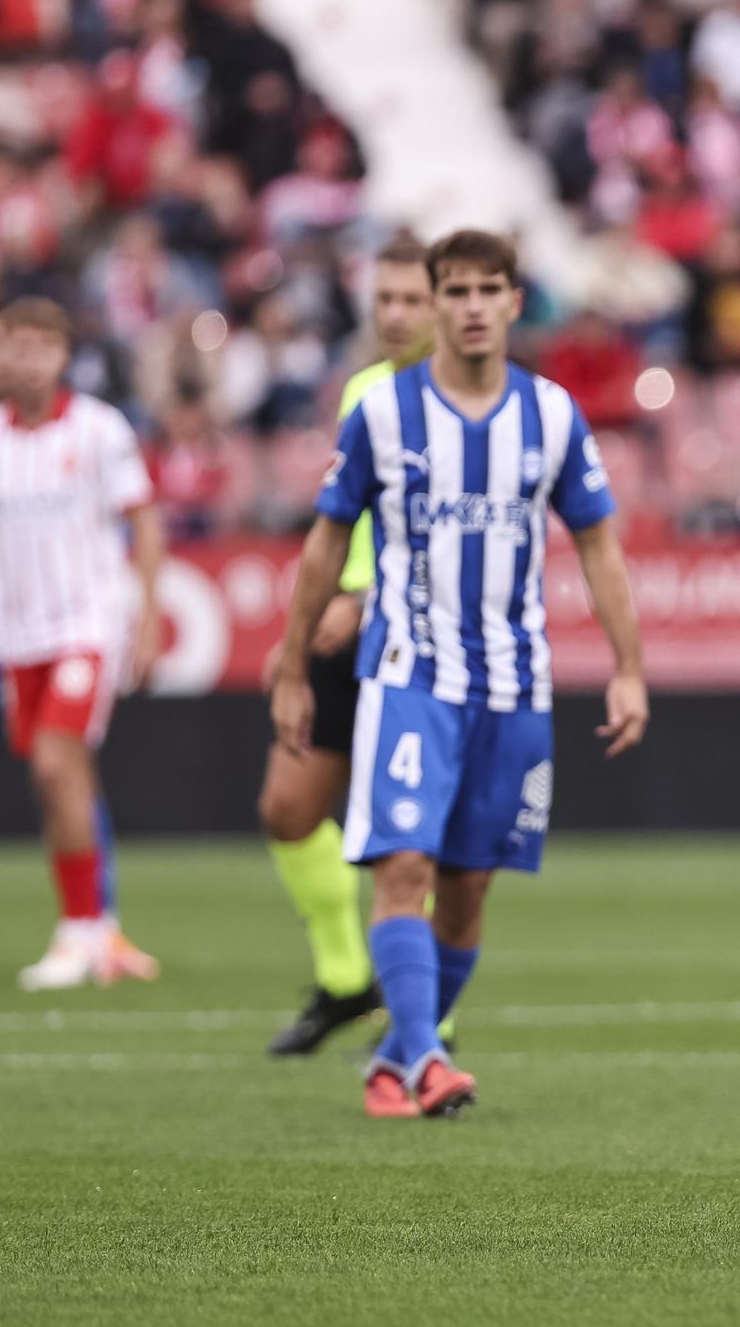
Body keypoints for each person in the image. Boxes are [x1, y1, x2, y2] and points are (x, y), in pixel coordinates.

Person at [271, 229, 648, 1118]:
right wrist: (292, 666)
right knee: (404, 863)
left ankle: (395, 1059)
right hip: (409, 674)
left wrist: (629, 667)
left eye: (489, 290)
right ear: (436, 302)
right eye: (458, 290)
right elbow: (325, 542)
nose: (473, 306)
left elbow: (598, 543)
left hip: (515, 687)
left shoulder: (550, 415)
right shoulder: (384, 413)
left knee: (469, 887)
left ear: (515, 302)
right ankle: (431, 1061)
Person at [0, 298, 165, 991]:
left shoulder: (99, 428)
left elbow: (144, 519)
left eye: (42, 346)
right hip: (16, 634)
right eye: (16, 346)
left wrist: (147, 614)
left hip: (86, 624)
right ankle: (97, 931)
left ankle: (79, 932)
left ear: (64, 355)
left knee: (54, 760)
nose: (28, 359)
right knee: (60, 777)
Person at [256, 233, 434, 1055]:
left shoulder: (472, 402)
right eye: (384, 299)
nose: (395, 315)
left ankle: (430, 1023)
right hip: (343, 628)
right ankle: (345, 979)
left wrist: (365, 598)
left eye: (411, 299)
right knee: (288, 809)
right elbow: (344, 520)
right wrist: (299, 634)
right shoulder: (364, 388)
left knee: (408, 839)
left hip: (417, 637)